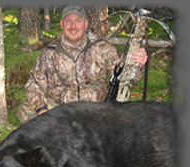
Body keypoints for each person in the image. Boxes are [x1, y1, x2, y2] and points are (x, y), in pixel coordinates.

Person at [17, 5, 148, 123]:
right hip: (62, 109)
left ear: (86, 24)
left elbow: (126, 79)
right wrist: (42, 111)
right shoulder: (49, 53)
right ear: (62, 24)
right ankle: (60, 129)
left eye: (78, 21)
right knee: (25, 111)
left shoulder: (103, 48)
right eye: (68, 21)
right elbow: (34, 84)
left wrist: (138, 64)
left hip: (97, 108)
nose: (73, 26)